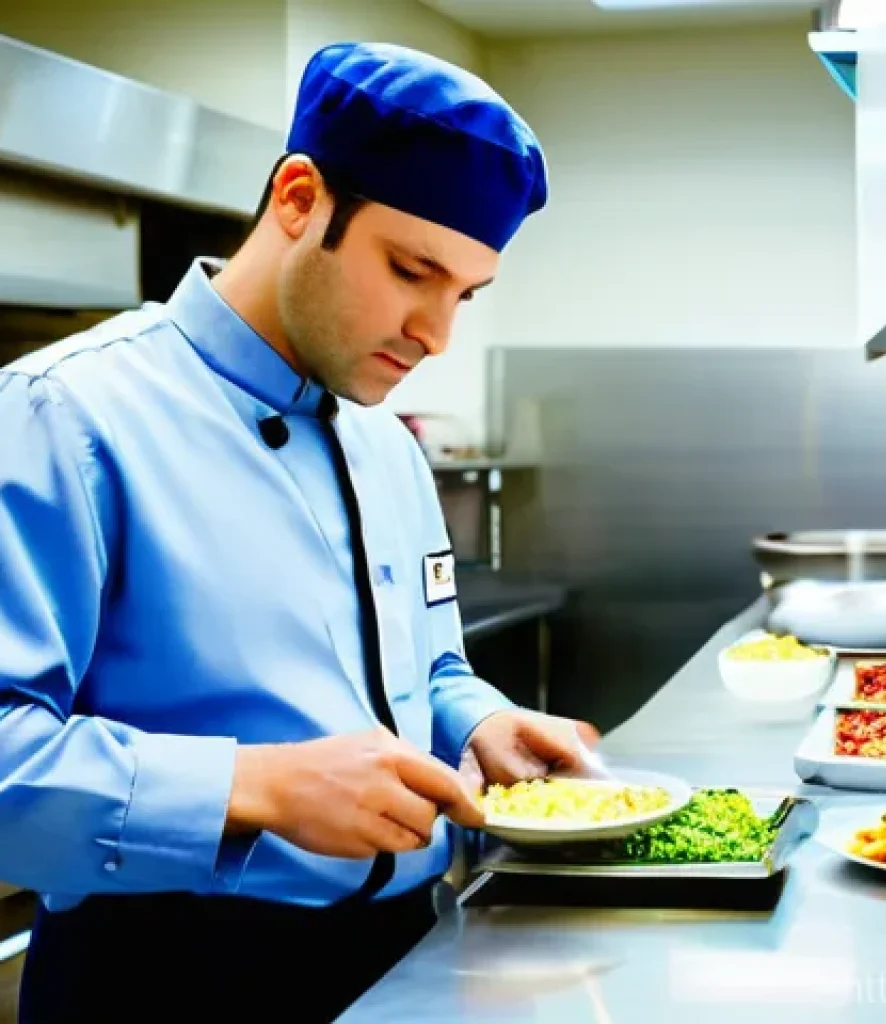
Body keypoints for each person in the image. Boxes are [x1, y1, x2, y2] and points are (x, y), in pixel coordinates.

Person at [0, 42, 597, 1023]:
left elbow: (425, 669)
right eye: (412, 271)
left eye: (465, 294)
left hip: (403, 952)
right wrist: (254, 783)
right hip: (167, 977)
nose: (435, 333)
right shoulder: (64, 417)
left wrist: (478, 718)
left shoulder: (387, 444)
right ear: (297, 198)